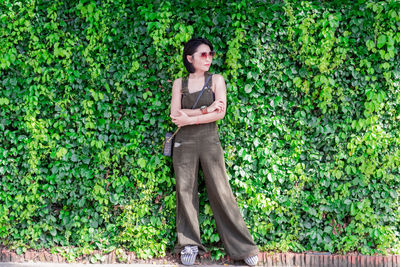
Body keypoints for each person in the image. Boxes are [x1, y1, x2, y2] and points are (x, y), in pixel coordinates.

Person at [169, 37, 259, 266]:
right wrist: (206, 110)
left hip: (209, 140)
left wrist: (191, 116)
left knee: (221, 190)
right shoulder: (179, 83)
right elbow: (174, 116)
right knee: (185, 191)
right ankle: (189, 244)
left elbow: (220, 113)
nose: (208, 58)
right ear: (190, 58)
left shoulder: (216, 80)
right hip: (184, 144)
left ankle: (243, 247)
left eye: (210, 54)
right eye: (203, 54)